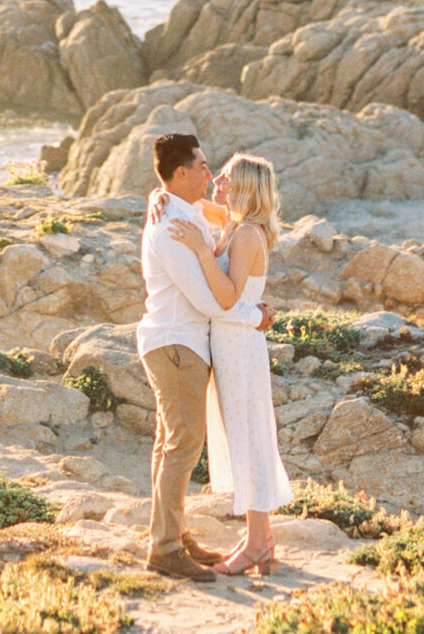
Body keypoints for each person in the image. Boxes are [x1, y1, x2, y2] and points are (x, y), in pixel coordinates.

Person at [134, 131, 272, 579]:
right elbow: (212, 302)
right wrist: (258, 317)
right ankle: (166, 547)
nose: (209, 174)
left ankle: (172, 535)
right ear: (181, 173)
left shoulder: (182, 208)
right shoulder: (174, 225)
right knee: (183, 443)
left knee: (170, 442)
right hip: (176, 342)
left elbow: (230, 214)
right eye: (202, 167)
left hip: (181, 342)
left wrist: (159, 191)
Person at [165, 154, 292, 573]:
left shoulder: (247, 236)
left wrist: (202, 251)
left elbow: (226, 298)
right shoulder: (235, 224)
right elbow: (194, 203)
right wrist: (156, 195)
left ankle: (256, 544)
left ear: (243, 188)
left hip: (240, 347)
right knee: (242, 436)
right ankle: (264, 540)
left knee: (250, 438)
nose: (215, 179)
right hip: (230, 344)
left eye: (225, 177)